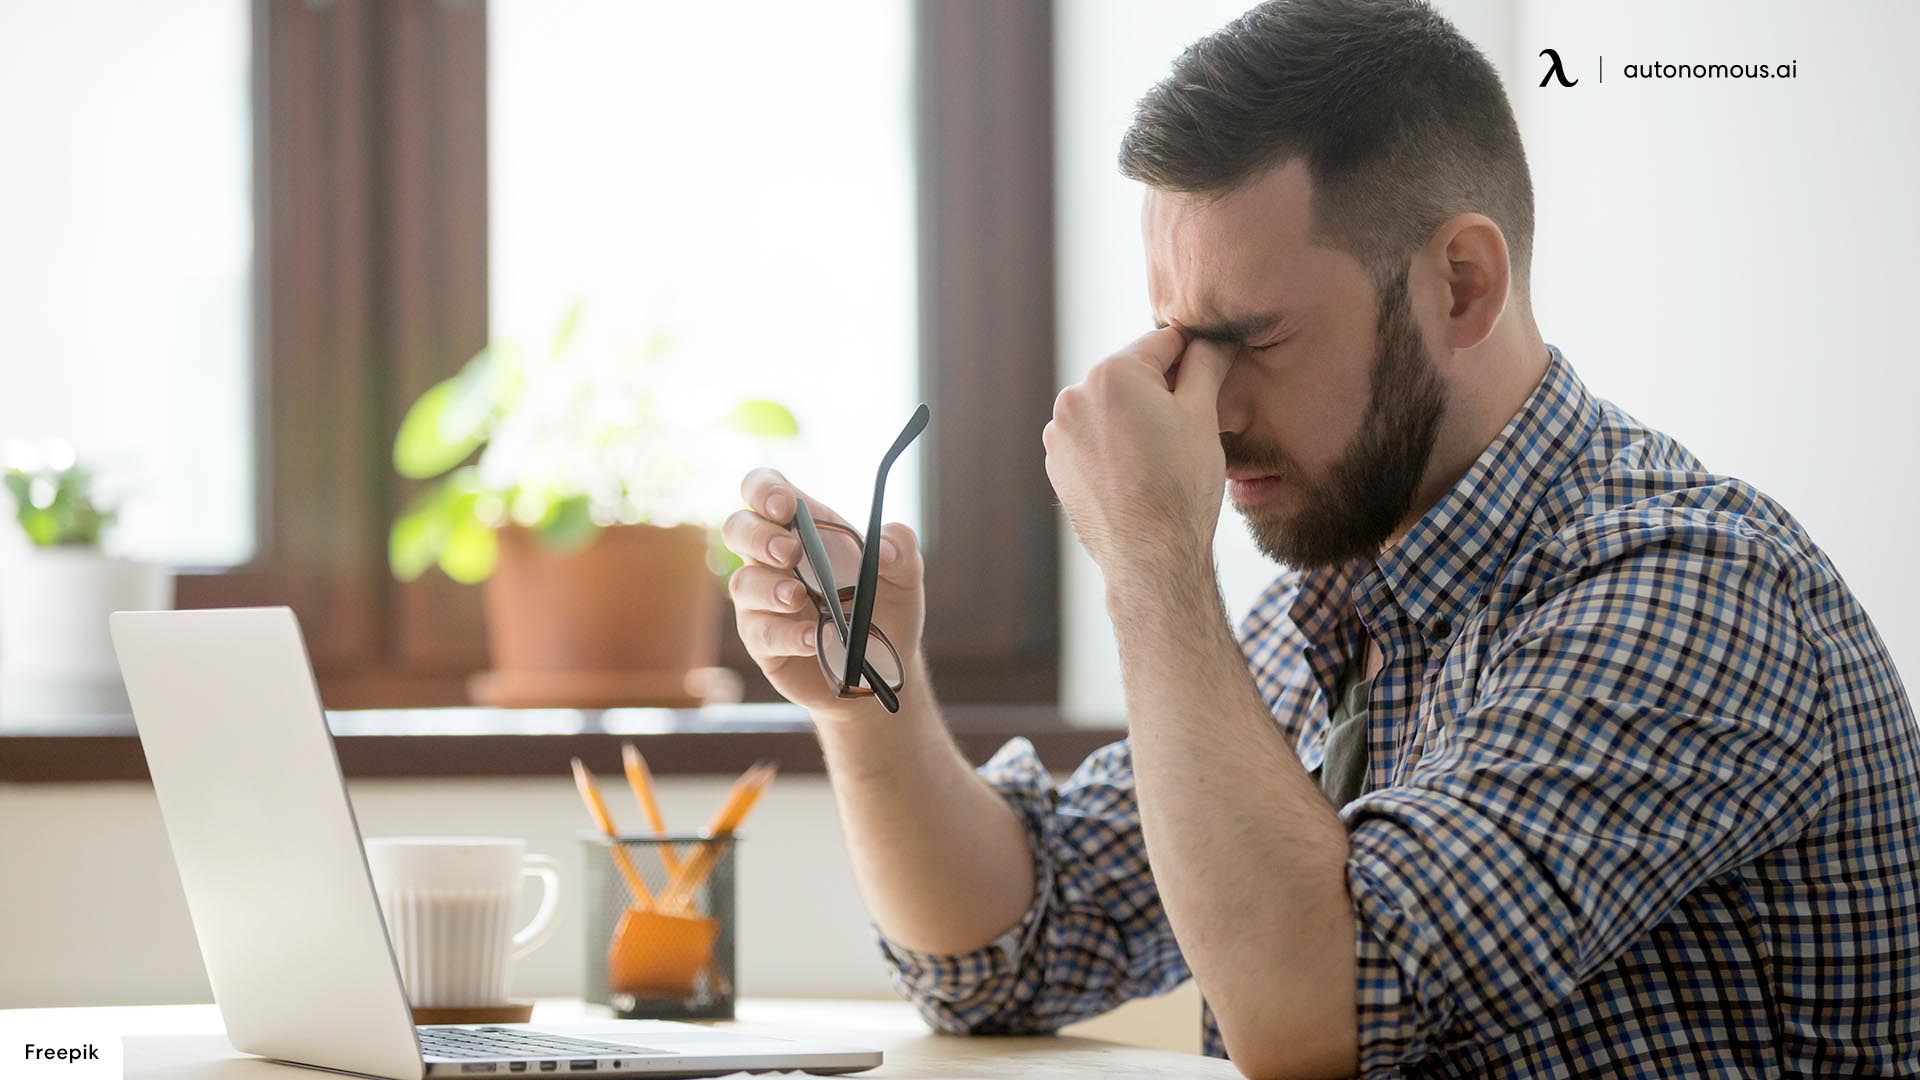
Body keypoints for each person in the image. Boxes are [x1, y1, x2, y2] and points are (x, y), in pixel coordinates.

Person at [721, 1, 1920, 1076]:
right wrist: (863, 707)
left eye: (1256, 340)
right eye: (1180, 342)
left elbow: (1319, 1014)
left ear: (1461, 285)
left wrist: (1152, 558)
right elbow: (1011, 951)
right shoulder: (1337, 606)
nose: (1211, 408)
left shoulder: (1690, 591)